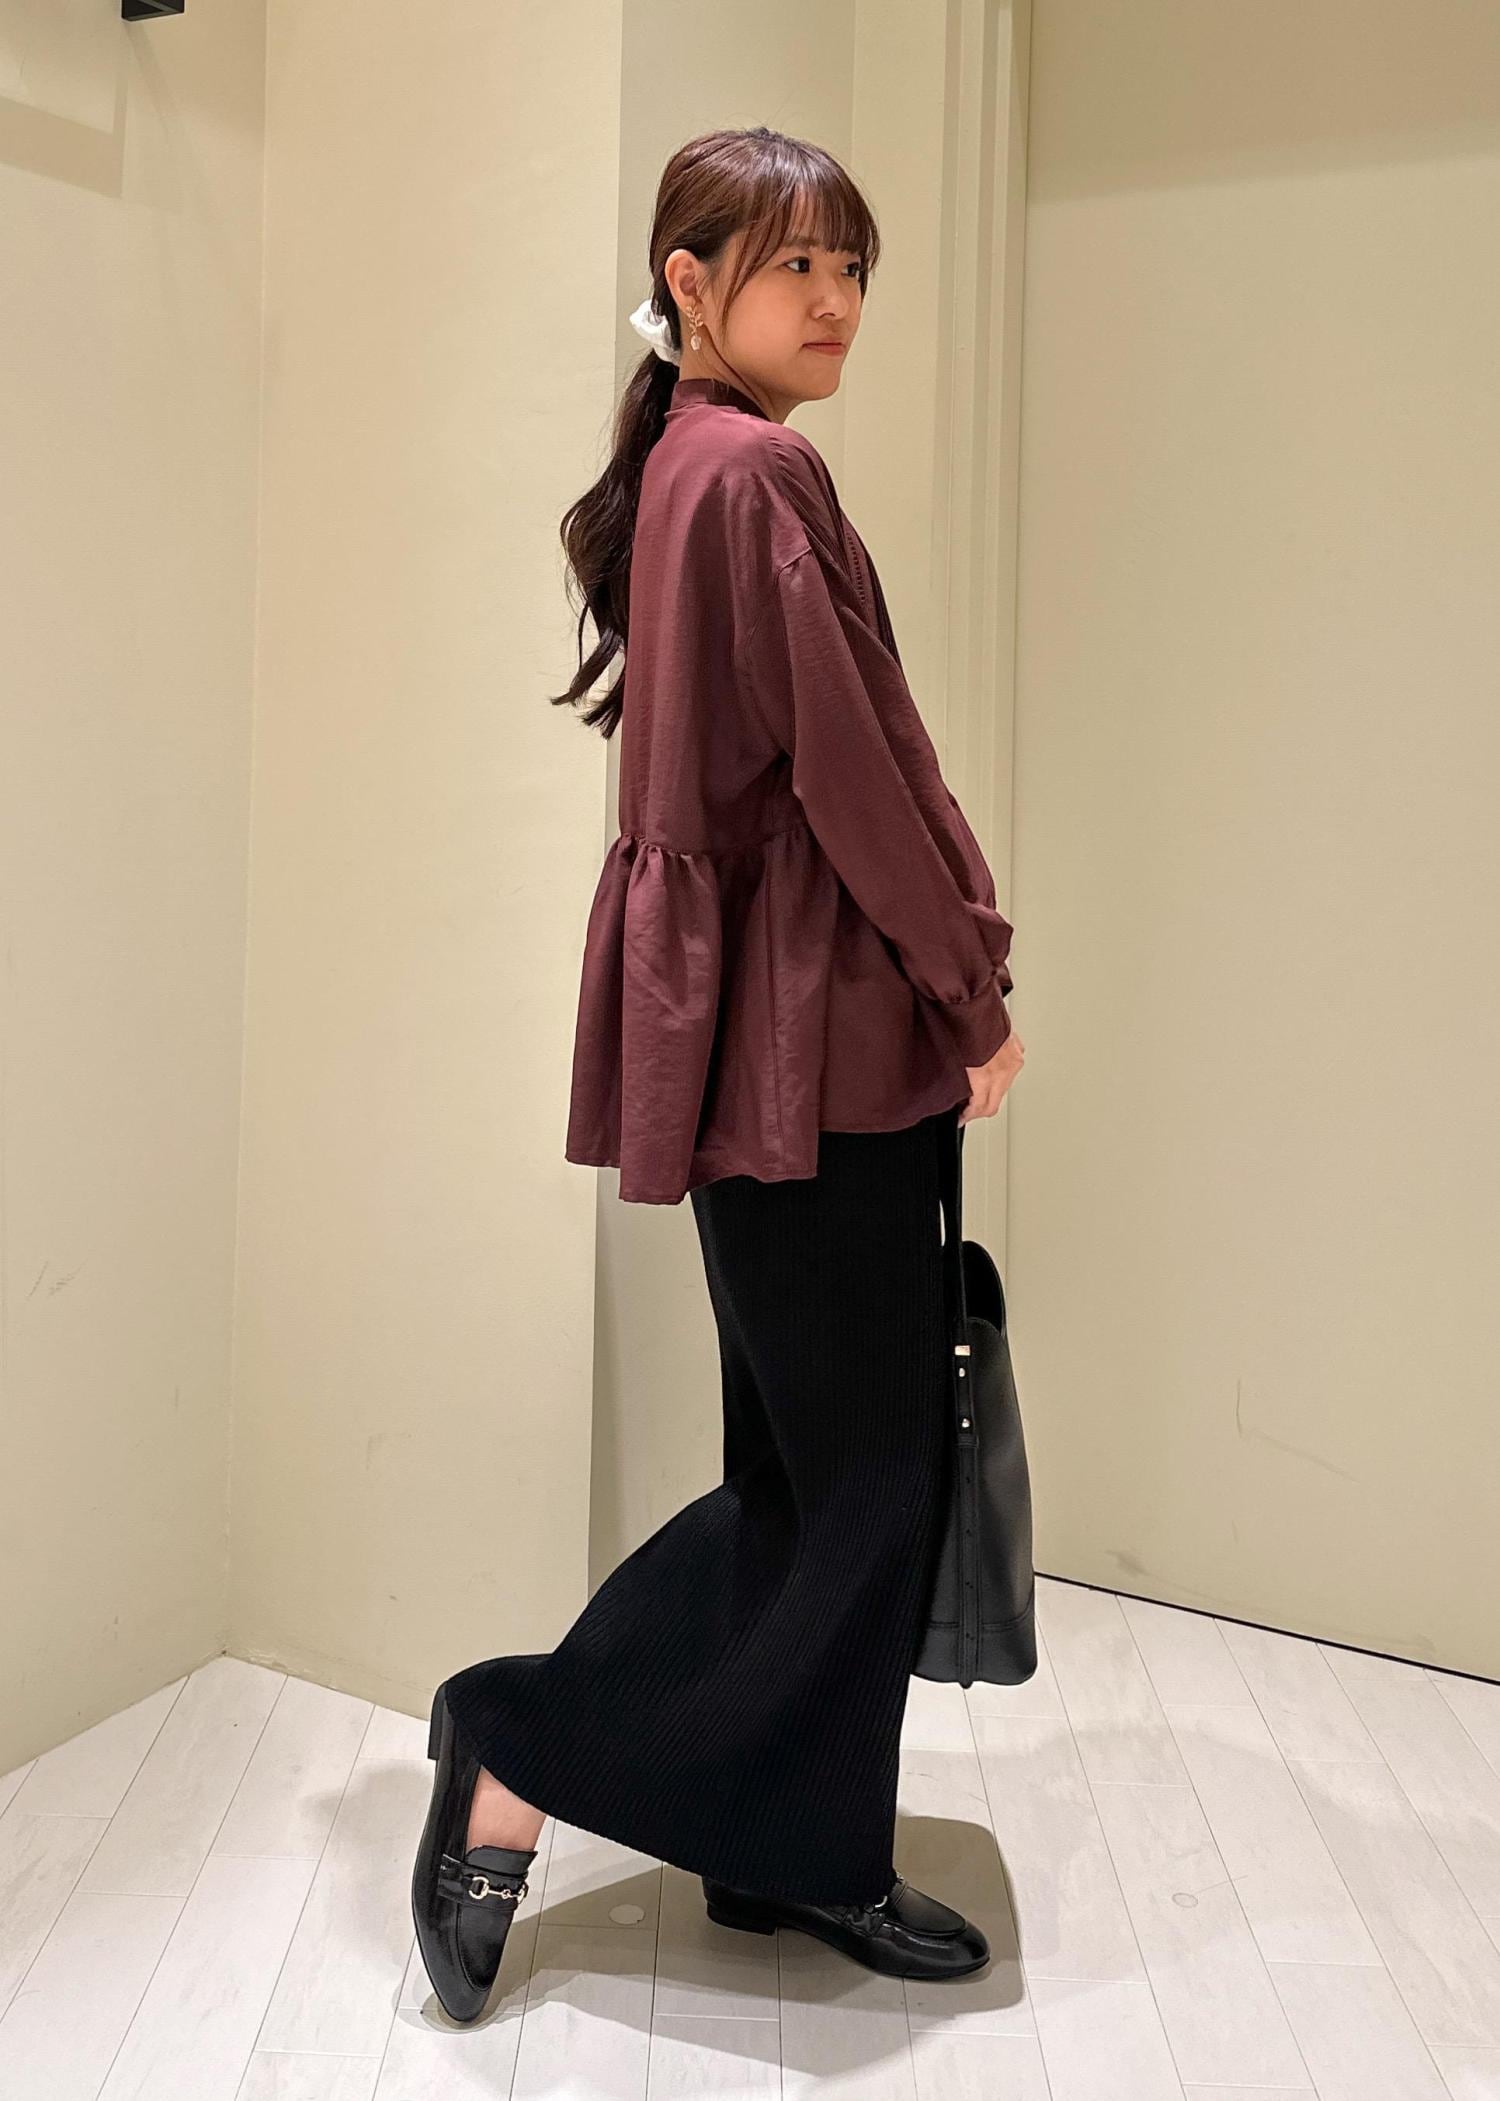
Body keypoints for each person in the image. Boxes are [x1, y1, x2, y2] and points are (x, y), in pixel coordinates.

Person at [411, 123, 1025, 2025]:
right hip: (819, 1037)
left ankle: (783, 1843)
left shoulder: (691, 459)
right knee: (855, 1484)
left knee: (805, 1461)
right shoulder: (755, 472)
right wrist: (970, 984)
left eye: (854, 269)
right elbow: (860, 772)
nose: (837, 304)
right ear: (689, 282)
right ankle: (517, 1742)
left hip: (758, 1035)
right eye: (796, 266)